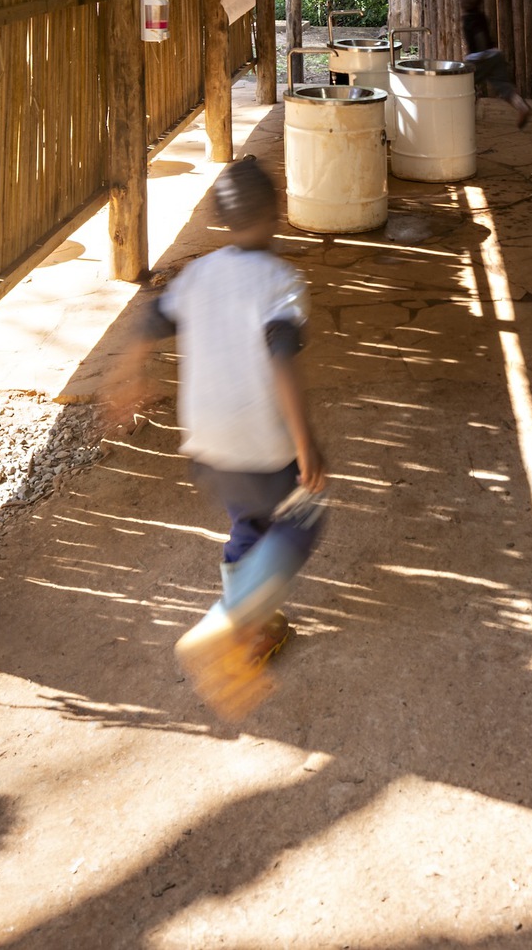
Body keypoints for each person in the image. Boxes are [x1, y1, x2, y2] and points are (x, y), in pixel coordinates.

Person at [107, 156, 326, 718]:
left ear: (222, 219)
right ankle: (232, 619)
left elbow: (150, 323)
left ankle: (252, 633)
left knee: (251, 522)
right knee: (303, 517)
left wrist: (128, 378)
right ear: (278, 212)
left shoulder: (199, 273)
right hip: (262, 441)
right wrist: (305, 444)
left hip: (207, 439)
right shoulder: (281, 281)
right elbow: (281, 361)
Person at [459, 0, 532, 127]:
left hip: (480, 58)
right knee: (504, 86)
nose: (461, 1)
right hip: (495, 55)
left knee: (463, 84)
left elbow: (479, 36)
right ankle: (522, 107)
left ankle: (466, 116)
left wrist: (481, 53)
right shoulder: (481, 16)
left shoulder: (469, 19)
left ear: (468, 1)